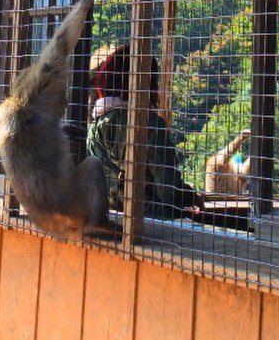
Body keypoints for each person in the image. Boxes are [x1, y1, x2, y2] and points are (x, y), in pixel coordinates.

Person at [86, 44, 202, 219]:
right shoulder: (149, 124)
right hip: (147, 221)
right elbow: (167, 187)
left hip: (107, 216)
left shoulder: (95, 127)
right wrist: (189, 196)